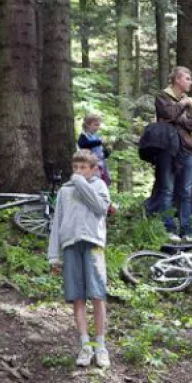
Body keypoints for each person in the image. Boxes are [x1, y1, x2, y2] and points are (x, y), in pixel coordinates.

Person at [48, 150, 112, 369]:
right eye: (75, 168)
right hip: (70, 245)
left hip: (93, 244)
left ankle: (101, 345)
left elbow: (100, 208)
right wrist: (54, 256)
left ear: (93, 169)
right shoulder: (65, 191)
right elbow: (57, 223)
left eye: (83, 168)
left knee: (97, 294)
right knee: (77, 297)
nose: (78, 172)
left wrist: (81, 183)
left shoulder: (99, 187)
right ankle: (85, 345)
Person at [151, 66, 192, 242]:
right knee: (167, 190)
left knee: (186, 192)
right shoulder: (162, 97)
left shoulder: (188, 101)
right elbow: (167, 113)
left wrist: (178, 116)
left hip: (186, 149)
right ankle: (168, 229)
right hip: (167, 150)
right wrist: (181, 107)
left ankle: (186, 230)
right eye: (187, 79)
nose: (191, 82)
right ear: (178, 80)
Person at [77, 114, 111, 186]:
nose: (97, 127)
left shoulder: (96, 137)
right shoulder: (84, 136)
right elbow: (84, 145)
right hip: (90, 167)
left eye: (98, 125)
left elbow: (100, 155)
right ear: (88, 125)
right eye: (95, 125)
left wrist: (107, 152)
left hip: (100, 167)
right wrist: (99, 142)